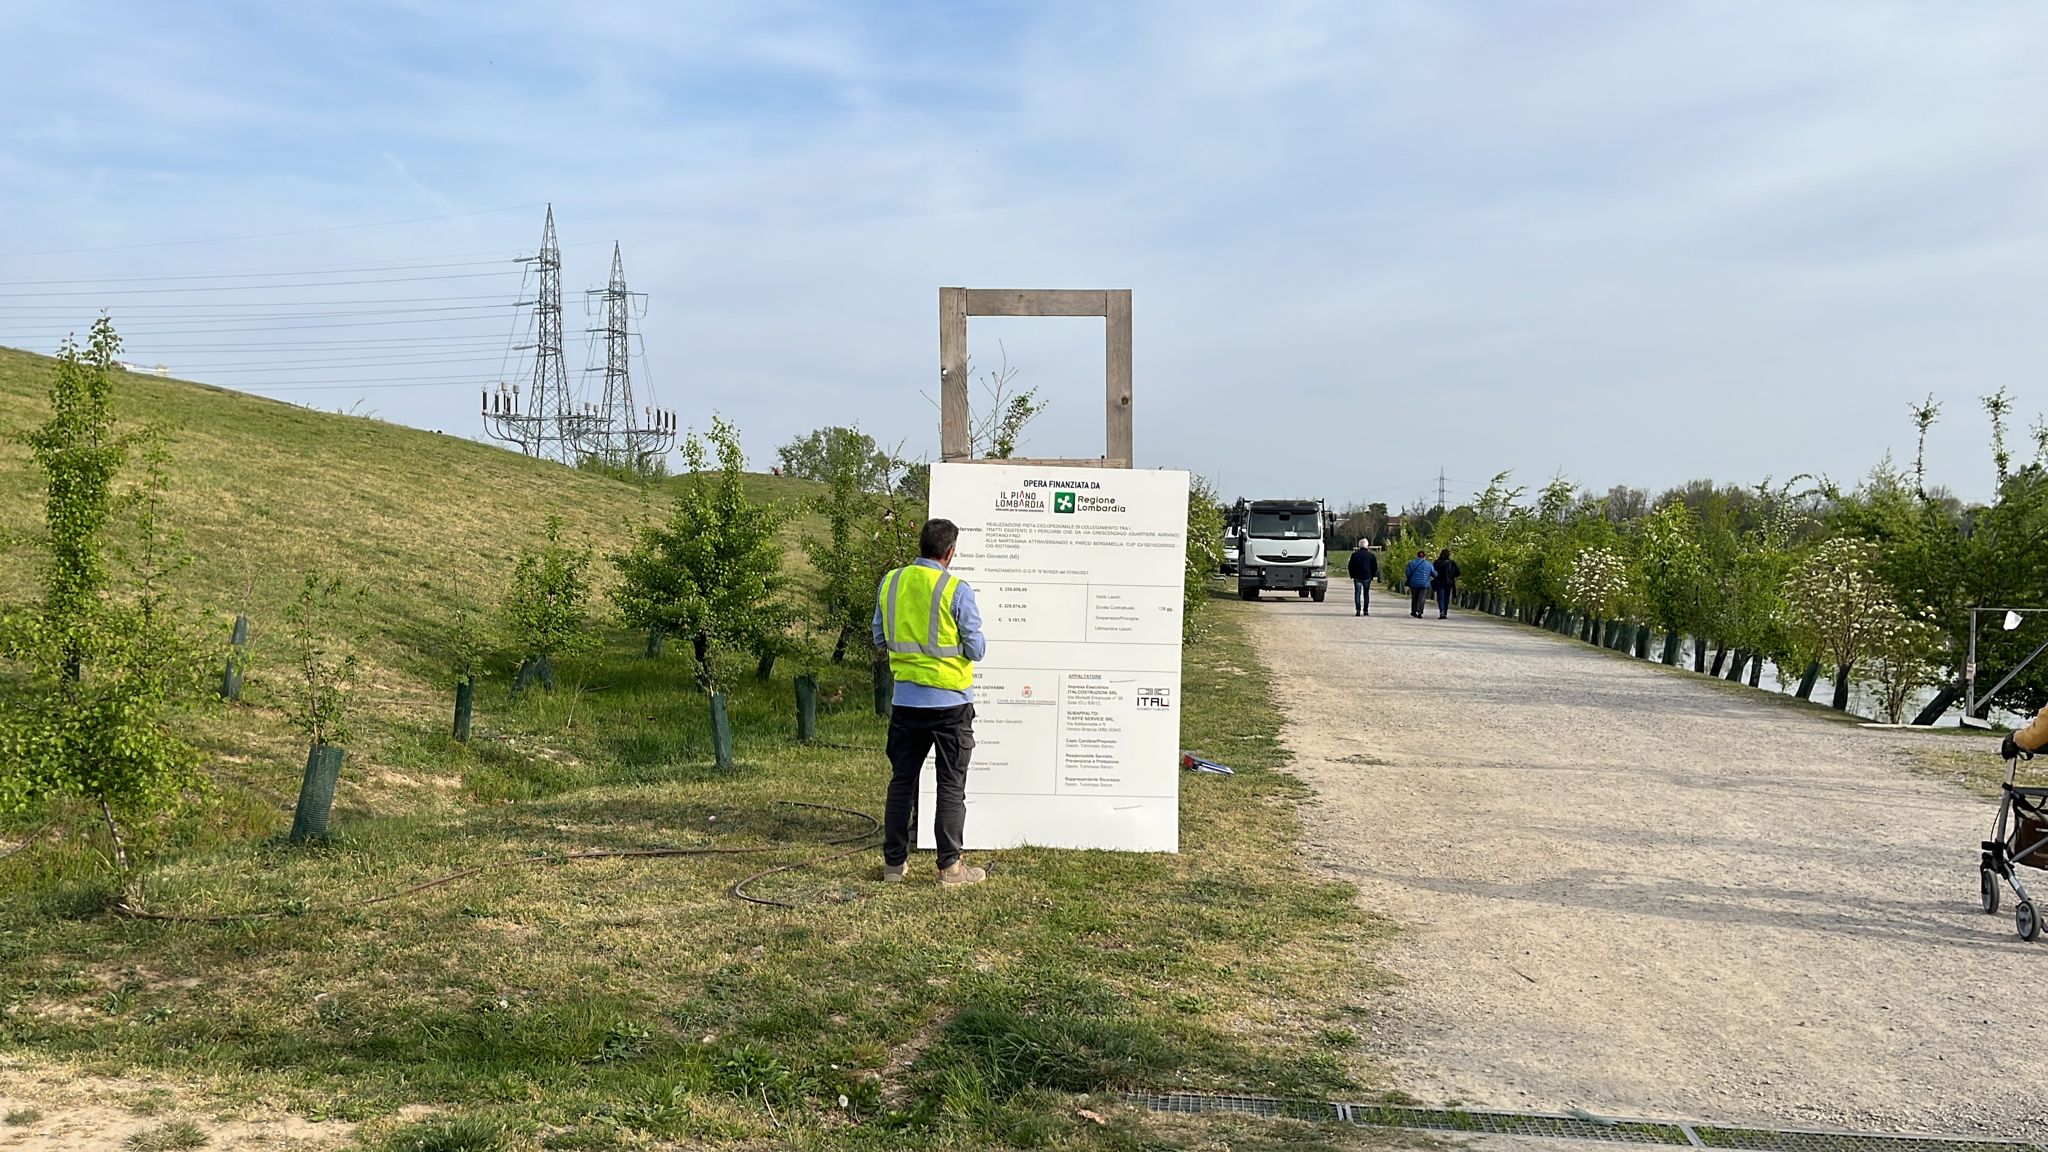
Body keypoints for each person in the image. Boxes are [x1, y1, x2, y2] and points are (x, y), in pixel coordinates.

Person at [872, 518, 988, 887]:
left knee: (902, 782)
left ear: (921, 545)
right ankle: (950, 868)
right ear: (950, 552)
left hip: (906, 702)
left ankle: (894, 866)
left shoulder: (891, 582)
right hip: (951, 705)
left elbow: (879, 636)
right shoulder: (956, 589)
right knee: (951, 785)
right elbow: (977, 648)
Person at [1347, 545, 1379, 616]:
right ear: (1367, 546)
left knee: (1357, 593)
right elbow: (1375, 567)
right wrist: (1372, 575)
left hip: (1357, 577)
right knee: (1366, 594)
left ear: (1359, 546)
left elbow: (1350, 566)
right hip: (1367, 577)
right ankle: (1365, 610)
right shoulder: (1371, 556)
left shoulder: (1354, 555)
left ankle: (1358, 610)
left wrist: (1352, 575)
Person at [1403, 549, 1436, 618]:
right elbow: (1434, 574)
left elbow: (1407, 573)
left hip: (1414, 583)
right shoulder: (1429, 564)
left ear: (1417, 556)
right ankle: (1420, 612)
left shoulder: (1412, 563)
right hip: (1424, 583)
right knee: (1422, 598)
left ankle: (1414, 611)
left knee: (1414, 597)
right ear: (1424, 556)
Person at [1434, 548, 1461, 620]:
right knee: (1446, 597)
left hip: (1439, 581)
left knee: (1440, 598)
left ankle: (1442, 611)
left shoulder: (1437, 562)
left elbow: (1433, 572)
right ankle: (1444, 612)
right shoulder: (1451, 563)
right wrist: (1452, 576)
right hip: (1449, 582)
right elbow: (1458, 573)